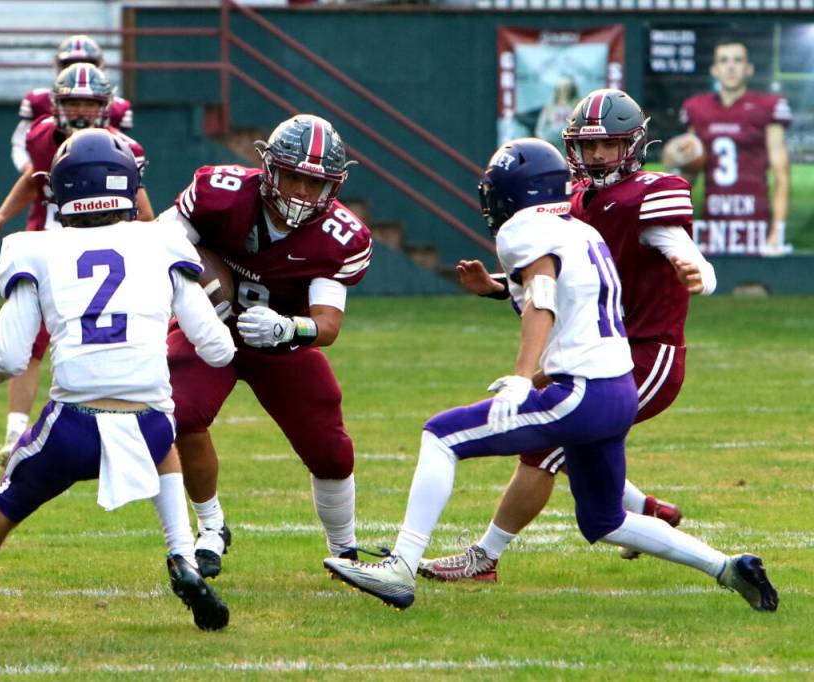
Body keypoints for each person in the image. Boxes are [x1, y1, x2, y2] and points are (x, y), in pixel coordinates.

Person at [323, 137, 778, 613]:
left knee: (441, 435)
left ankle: (401, 566)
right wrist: (500, 290)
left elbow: (542, 296)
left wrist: (523, 377)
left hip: (581, 392)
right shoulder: (582, 231)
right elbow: (569, 302)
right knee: (603, 519)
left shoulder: (523, 229)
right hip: (617, 388)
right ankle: (728, 566)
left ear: (515, 192)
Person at [0, 129, 235, 633]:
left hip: (73, 428)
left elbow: (10, 359)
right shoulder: (162, 242)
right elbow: (218, 348)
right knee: (162, 432)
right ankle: (181, 557)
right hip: (148, 423)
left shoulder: (34, 249)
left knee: (6, 503)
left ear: (59, 189)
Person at [418, 88, 719, 582]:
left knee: (545, 447)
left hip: (645, 353)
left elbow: (690, 256)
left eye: (610, 145)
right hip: (593, 346)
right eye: (588, 145)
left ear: (634, 145)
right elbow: (558, 286)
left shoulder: (648, 194)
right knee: (569, 437)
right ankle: (648, 508)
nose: (598, 155)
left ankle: (484, 557)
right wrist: (496, 289)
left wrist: (698, 275)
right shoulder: (574, 200)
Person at [160, 114, 373, 577]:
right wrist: (197, 285)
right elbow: (161, 240)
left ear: (333, 187)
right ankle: (212, 527)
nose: (300, 192)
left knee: (331, 450)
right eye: (293, 176)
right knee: (180, 413)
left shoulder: (341, 236)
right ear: (269, 168)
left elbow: (327, 325)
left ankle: (345, 551)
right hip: (208, 329)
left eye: (313, 184)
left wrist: (287, 330)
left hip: (279, 341)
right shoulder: (220, 193)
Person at [0, 62, 155, 467]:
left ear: (106, 108)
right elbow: (32, 179)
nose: (80, 110)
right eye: (73, 101)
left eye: (89, 103)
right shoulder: (43, 138)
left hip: (101, 257)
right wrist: (1, 217)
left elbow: (144, 213)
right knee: (32, 342)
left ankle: (117, 425)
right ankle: (14, 434)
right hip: (51, 249)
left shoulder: (123, 150)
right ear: (56, 104)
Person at [675, 38, 792, 256]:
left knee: (753, 288)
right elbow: (687, 176)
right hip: (713, 222)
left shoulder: (766, 107)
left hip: (755, 222)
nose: (731, 66)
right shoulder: (697, 108)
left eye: (737, 60)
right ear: (714, 69)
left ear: (748, 69)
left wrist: (777, 232)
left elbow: (782, 174)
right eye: (724, 60)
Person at [10, 34, 133, 174]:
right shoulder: (38, 103)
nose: (78, 68)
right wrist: (32, 172)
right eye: (72, 103)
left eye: (91, 104)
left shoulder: (116, 109)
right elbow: (20, 144)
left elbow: (120, 153)